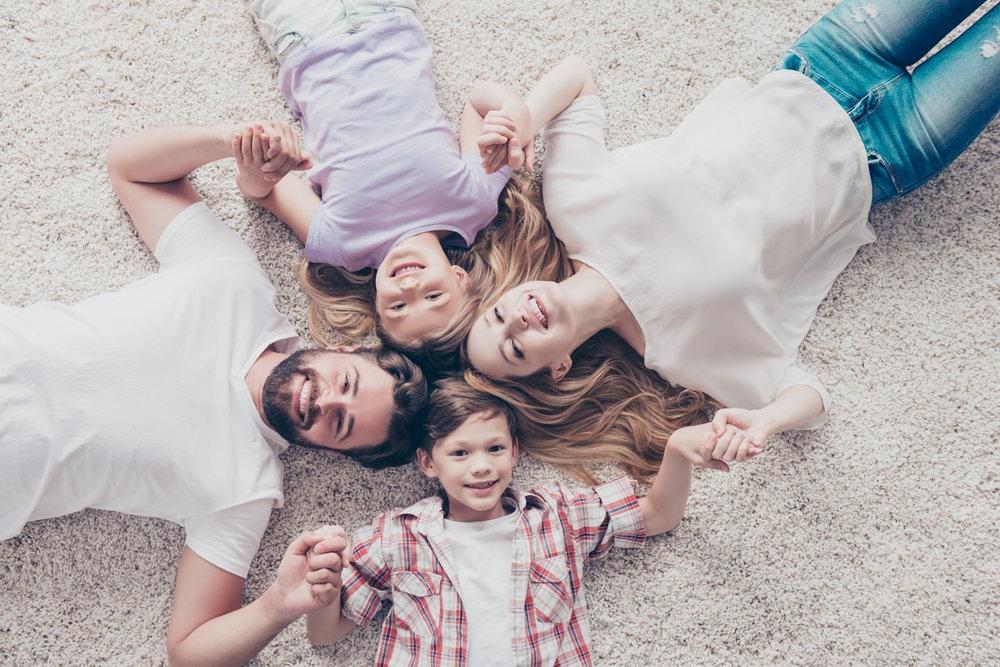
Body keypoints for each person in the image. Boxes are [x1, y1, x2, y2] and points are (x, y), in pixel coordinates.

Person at [463, 0, 1000, 480]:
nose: (516, 321)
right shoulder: (678, 351)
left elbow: (577, 77)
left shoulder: (571, 206)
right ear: (557, 368)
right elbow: (810, 395)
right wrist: (766, 420)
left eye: (495, 317)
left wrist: (525, 116)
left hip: (828, 60)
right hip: (896, 147)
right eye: (515, 348)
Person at [0, 121, 427, 665]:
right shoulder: (234, 282)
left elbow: (189, 652)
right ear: (341, 347)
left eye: (339, 423)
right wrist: (231, 142)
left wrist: (277, 605)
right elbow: (131, 169)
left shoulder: (244, 489)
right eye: (345, 383)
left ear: (332, 452)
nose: (324, 402)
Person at [235, 378, 744, 666]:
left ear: (515, 452)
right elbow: (327, 637)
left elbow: (656, 516)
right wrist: (321, 597)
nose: (481, 466)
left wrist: (677, 451)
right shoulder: (397, 535)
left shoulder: (556, 516)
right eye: (460, 452)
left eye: (495, 448)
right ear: (428, 463)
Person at [238, 0, 566, 374]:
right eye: (433, 295)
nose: (410, 286)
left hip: (308, 41)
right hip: (388, 17)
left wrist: (258, 160)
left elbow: (263, 190)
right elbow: (478, 103)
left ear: (377, 304)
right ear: (461, 278)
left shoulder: (341, 244)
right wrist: (512, 110)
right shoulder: (476, 204)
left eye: (398, 307)